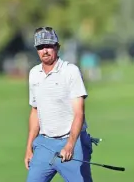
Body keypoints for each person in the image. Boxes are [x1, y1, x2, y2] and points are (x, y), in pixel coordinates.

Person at [24, 26, 93, 182]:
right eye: (40, 47)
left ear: (57, 47)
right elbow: (35, 111)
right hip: (44, 144)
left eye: (49, 46)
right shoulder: (34, 74)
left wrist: (70, 145)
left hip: (72, 143)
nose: (45, 50)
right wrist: (29, 148)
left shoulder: (70, 72)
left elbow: (79, 113)